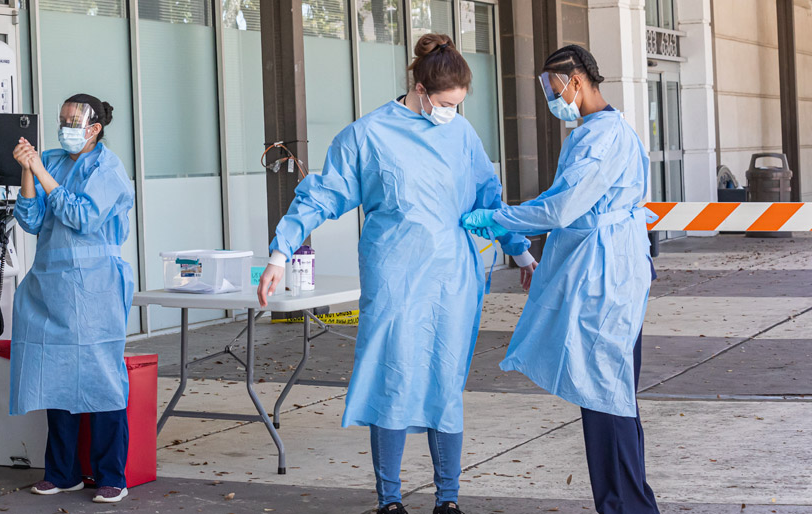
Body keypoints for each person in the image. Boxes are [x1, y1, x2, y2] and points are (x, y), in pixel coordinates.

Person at [256, 34, 537, 514]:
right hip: (396, 278)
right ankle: (389, 502)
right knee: (393, 380)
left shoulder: (462, 135)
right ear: (422, 88)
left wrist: (521, 251)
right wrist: (280, 253)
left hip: (453, 279)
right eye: (446, 103)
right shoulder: (368, 136)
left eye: (458, 104)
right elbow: (321, 196)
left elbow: (489, 199)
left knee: (445, 384)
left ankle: (448, 500)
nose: (451, 112)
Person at [461, 45, 660, 514]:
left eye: (555, 90)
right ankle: (624, 501)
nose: (554, 100)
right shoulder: (592, 132)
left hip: (606, 277)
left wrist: (501, 219)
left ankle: (625, 505)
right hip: (605, 269)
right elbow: (564, 202)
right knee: (608, 394)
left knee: (606, 395)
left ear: (576, 80)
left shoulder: (601, 139)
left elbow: (560, 208)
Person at [10, 94, 135, 504]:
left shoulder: (108, 169)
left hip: (95, 288)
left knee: (101, 379)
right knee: (57, 377)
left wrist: (41, 170)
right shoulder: (52, 161)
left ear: (94, 128)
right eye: (61, 119)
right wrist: (29, 171)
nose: (65, 126)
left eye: (73, 120)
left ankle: (111, 474)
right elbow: (31, 219)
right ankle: (62, 473)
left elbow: (81, 216)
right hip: (52, 286)